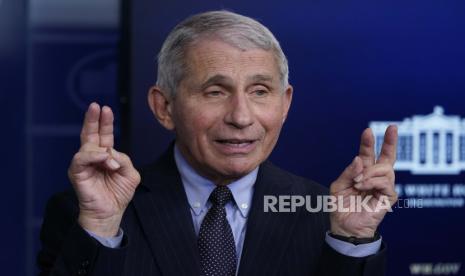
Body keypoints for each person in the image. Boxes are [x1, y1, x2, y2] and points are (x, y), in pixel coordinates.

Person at [37, 10, 398, 276]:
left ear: (285, 104)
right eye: (215, 91)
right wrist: (100, 228)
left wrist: (351, 241)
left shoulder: (324, 214)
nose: (241, 116)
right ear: (164, 107)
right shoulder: (87, 214)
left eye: (260, 91)